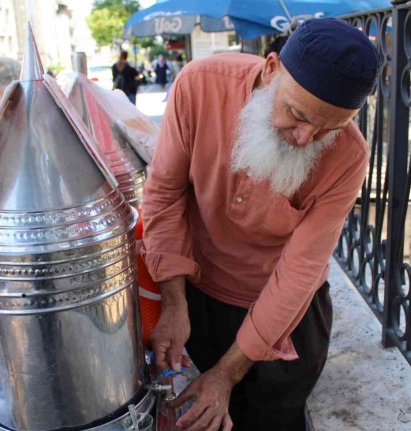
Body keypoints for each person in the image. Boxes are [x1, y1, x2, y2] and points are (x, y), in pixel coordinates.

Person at [141, 18, 380, 431]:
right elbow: (164, 195)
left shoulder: (349, 156)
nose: (306, 138)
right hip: (197, 296)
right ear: (271, 70)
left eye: (328, 128)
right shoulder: (200, 85)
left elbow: (299, 272)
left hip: (285, 314)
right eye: (297, 114)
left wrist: (226, 373)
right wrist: (174, 303)